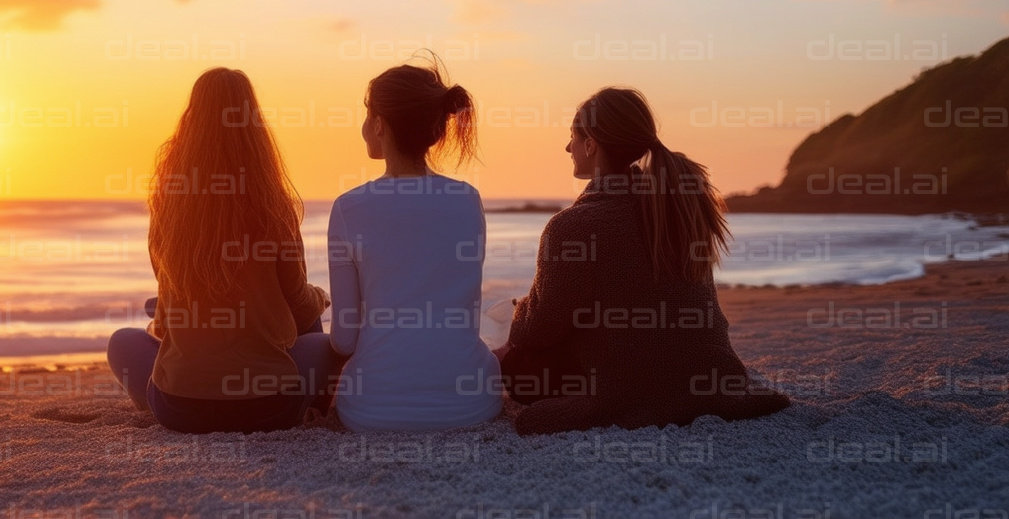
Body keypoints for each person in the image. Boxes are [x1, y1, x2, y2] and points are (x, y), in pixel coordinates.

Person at [499, 87, 790, 435]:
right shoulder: (677, 209)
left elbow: (536, 330)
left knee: (518, 361)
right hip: (713, 378)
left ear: (591, 144)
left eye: (572, 138)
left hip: (629, 390)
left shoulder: (571, 226)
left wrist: (517, 311)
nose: (567, 148)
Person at [105, 67, 338, 434]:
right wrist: (321, 298)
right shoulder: (272, 206)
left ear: (190, 123)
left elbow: (167, 321)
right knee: (326, 344)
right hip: (267, 409)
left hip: (179, 411)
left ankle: (173, 396)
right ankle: (316, 408)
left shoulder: (170, 206)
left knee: (123, 341)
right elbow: (297, 308)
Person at [327, 59, 503, 432]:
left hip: (371, 411)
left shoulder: (348, 208)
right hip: (470, 405)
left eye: (367, 115)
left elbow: (343, 340)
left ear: (378, 124)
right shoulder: (467, 200)